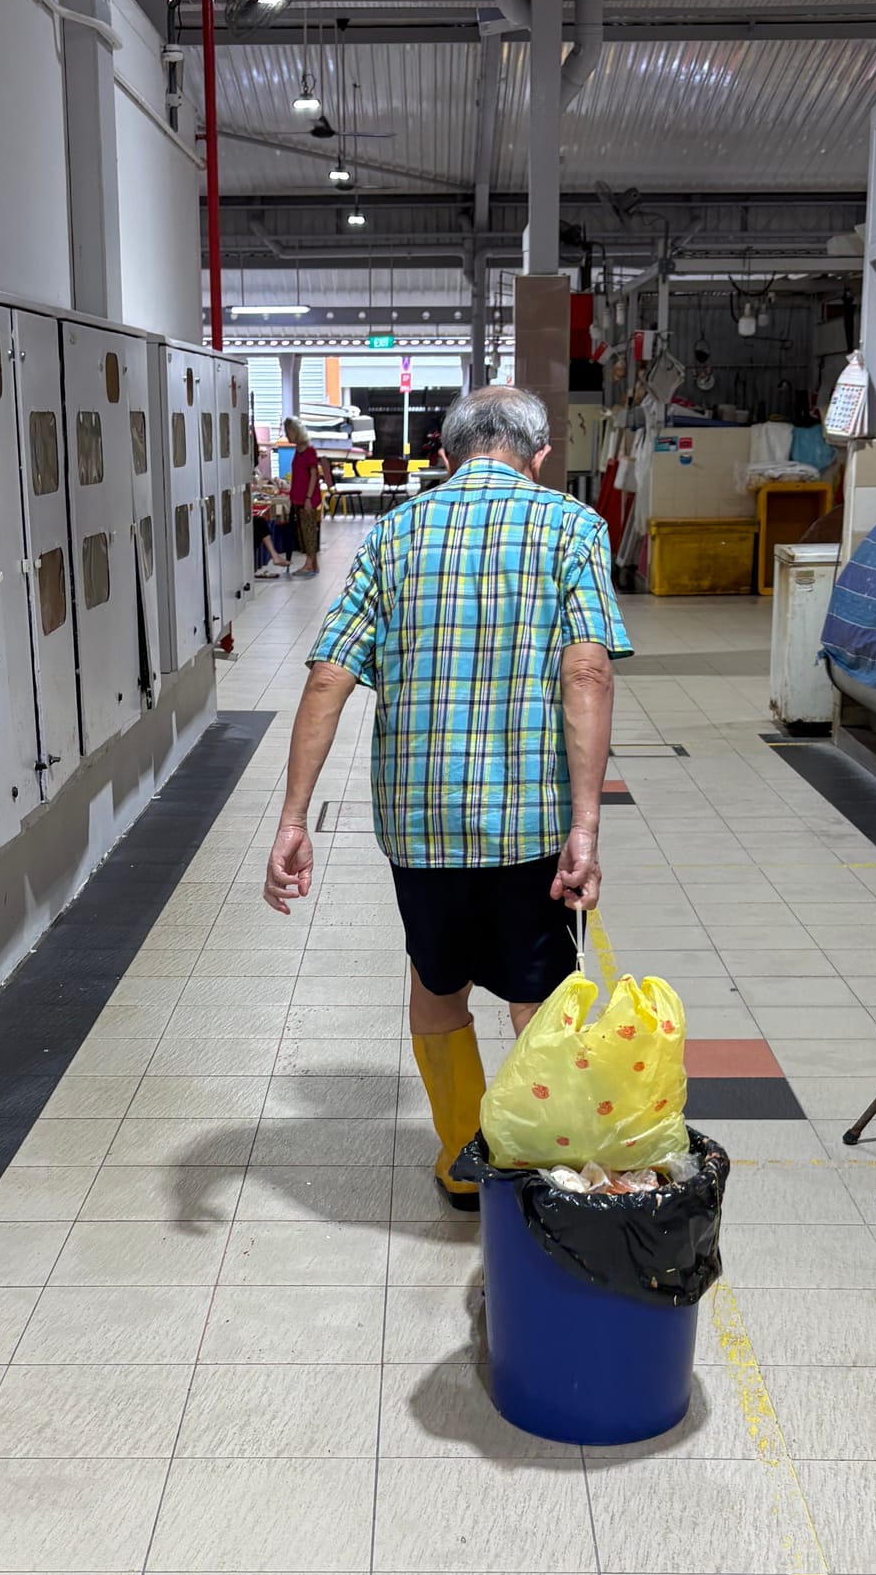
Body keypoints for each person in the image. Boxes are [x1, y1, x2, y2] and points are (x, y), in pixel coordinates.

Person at [262, 384, 632, 1210]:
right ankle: (537, 1165)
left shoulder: (393, 534)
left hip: (420, 824)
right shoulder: (571, 525)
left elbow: (329, 676)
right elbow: (588, 669)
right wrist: (586, 823)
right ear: (539, 457)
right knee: (541, 994)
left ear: (444, 452)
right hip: (530, 822)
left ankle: (464, 1158)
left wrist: (292, 819)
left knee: (437, 986)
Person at [283, 416, 322, 575]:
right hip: (297, 497)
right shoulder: (297, 451)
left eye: (289, 432)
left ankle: (309, 564)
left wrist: (308, 498)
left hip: (308, 499)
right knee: (302, 532)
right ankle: (312, 563)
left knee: (309, 531)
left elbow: (313, 475)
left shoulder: (309, 451)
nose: (287, 436)